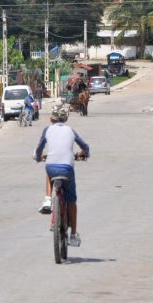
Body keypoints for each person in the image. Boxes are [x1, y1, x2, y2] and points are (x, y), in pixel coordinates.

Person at [35, 104, 90, 247]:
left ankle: (47, 199)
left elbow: (39, 148)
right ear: (66, 118)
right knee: (71, 200)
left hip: (51, 167)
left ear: (51, 119)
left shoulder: (47, 130)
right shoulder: (70, 130)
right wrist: (85, 154)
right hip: (67, 168)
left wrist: (38, 157)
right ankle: (73, 235)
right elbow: (85, 147)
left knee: (48, 173)